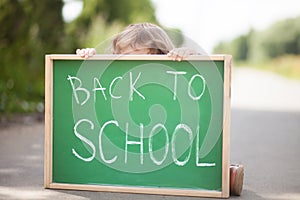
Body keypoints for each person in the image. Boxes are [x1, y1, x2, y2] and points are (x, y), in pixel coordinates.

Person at [76, 22, 244, 196]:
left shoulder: (171, 72)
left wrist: (192, 56)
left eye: (134, 54)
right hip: (130, 146)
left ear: (157, 53)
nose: (127, 60)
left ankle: (224, 174)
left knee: (193, 170)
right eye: (121, 54)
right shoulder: (116, 79)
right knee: (115, 161)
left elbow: (208, 78)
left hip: (170, 145)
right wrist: (89, 58)